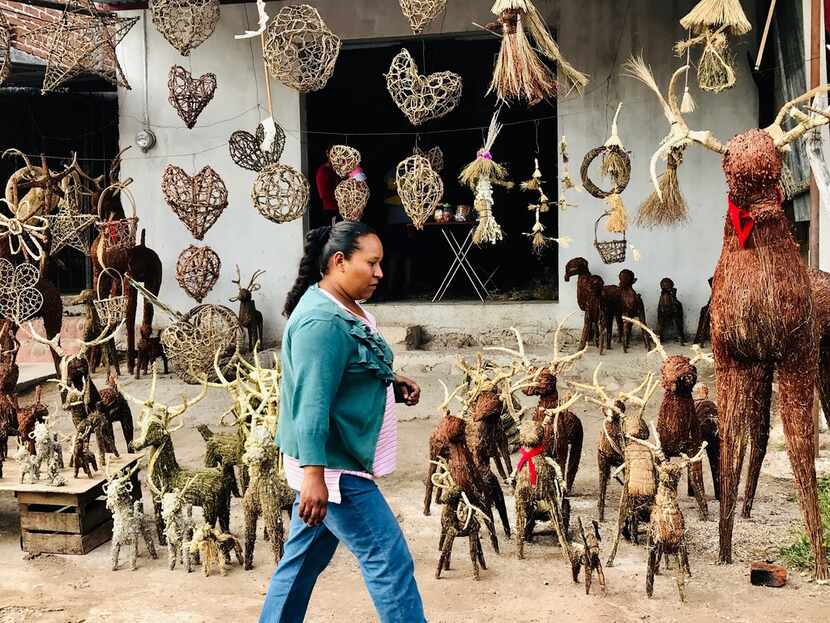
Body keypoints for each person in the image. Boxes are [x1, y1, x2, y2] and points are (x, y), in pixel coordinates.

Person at [259, 221, 426, 623]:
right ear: (338, 261)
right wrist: (314, 476)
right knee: (389, 560)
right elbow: (311, 404)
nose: (379, 273)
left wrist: (387, 380)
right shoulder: (322, 323)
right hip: (334, 467)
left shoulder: (340, 305)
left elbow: (346, 367)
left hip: (329, 462)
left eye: (380, 264)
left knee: (301, 562)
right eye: (371, 264)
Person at [314, 146, 340, 226]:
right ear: (327, 153)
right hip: (331, 209)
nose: (336, 155)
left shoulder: (340, 170)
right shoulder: (323, 171)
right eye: (333, 152)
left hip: (342, 209)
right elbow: (323, 194)